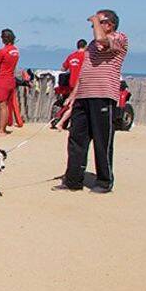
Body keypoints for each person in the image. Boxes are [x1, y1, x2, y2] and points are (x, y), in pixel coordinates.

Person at [56, 10, 128, 194]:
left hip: (103, 95)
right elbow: (85, 70)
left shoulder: (120, 38)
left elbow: (103, 41)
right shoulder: (91, 45)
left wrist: (96, 20)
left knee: (102, 140)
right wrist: (73, 95)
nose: (94, 26)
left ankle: (104, 181)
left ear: (109, 24)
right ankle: (73, 180)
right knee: (76, 138)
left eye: (98, 22)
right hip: (84, 96)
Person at [0, 29, 20, 135]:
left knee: (2, 105)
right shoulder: (16, 51)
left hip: (3, 79)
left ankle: (1, 130)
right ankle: (4, 128)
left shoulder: (3, 51)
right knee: (6, 105)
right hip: (11, 79)